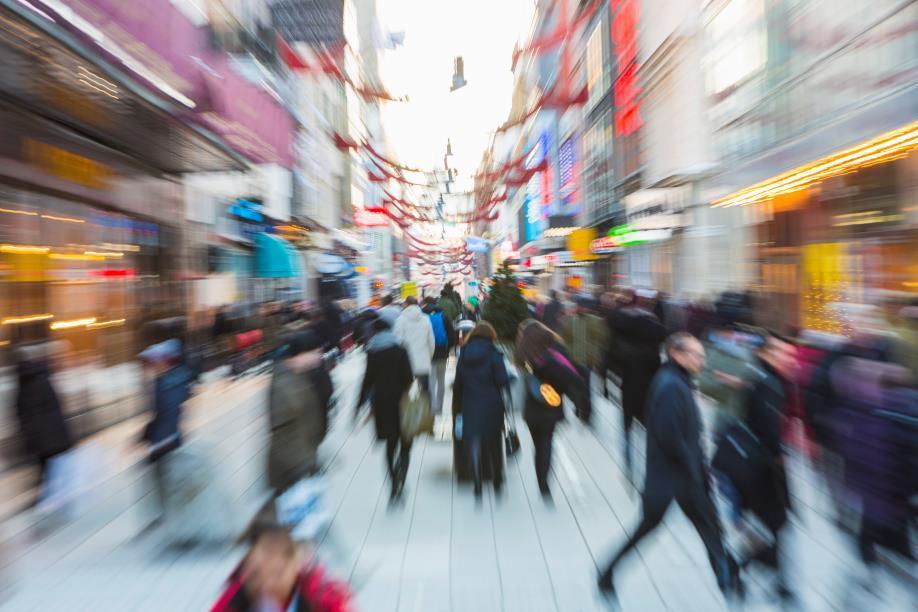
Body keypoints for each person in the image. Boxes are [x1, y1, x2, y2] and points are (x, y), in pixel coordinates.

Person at [597, 333, 739, 602]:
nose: (701, 360)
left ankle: (729, 581)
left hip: (678, 478)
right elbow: (669, 436)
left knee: (709, 527)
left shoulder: (676, 380)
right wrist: (694, 468)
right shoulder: (671, 385)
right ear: (677, 354)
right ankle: (605, 574)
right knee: (659, 528)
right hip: (674, 479)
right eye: (696, 354)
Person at [515, 320, 589, 499]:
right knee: (546, 443)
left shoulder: (522, 355)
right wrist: (580, 404)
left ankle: (541, 480)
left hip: (531, 408)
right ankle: (544, 484)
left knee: (537, 445)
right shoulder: (551, 358)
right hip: (551, 407)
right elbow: (574, 378)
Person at [212, 522, 352, 611]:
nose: (267, 582)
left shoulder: (324, 601)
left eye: (277, 572)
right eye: (258, 572)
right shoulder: (234, 601)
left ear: (297, 562)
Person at [609, 289, 668, 482]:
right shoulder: (652, 328)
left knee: (626, 426)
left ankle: (627, 464)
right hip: (650, 388)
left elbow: (611, 358)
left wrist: (609, 376)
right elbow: (659, 362)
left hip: (629, 386)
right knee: (651, 427)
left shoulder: (620, 330)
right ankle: (656, 466)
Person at [357, 319, 415, 501]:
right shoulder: (401, 349)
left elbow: (367, 381)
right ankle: (401, 477)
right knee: (406, 445)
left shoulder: (372, 352)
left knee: (390, 446)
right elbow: (408, 377)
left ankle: (393, 484)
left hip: (382, 404)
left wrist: (358, 405)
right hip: (402, 402)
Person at [452, 322, 510, 499]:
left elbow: (458, 383)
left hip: (470, 402)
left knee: (474, 441)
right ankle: (497, 479)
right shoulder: (495, 353)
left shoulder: (464, 354)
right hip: (492, 403)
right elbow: (503, 380)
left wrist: (458, 405)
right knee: (493, 441)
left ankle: (477, 481)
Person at [267, 332, 328, 497]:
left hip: (301, 464)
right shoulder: (284, 384)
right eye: (316, 352)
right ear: (302, 354)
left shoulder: (298, 376)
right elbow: (282, 433)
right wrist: (301, 466)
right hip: (292, 472)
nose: (320, 356)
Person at [138, 339, 195, 515]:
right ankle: (169, 514)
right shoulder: (173, 380)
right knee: (168, 482)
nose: (151, 366)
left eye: (154, 362)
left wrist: (157, 445)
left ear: (165, 361)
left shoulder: (165, 384)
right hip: (170, 439)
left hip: (166, 442)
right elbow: (161, 415)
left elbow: (166, 416)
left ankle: (169, 516)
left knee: (167, 482)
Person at [14, 333, 72, 498]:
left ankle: (48, 498)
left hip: (38, 439)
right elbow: (55, 410)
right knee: (54, 471)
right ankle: (51, 498)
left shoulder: (23, 384)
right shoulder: (43, 380)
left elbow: (21, 414)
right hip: (51, 437)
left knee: (46, 470)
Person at [560, 296, 608, 411]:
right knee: (583, 385)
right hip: (580, 359)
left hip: (582, 359)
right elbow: (602, 338)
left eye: (578, 305)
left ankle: (583, 408)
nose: (576, 307)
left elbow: (565, 338)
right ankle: (583, 408)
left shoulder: (574, 320)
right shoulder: (592, 320)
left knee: (581, 385)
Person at [422, 296, 458, 416]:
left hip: (428, 353)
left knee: (431, 380)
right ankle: (440, 407)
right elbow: (451, 334)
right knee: (441, 380)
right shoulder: (443, 316)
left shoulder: (423, 316)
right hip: (442, 352)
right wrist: (449, 349)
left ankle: (433, 407)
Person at [394, 296, 435, 392]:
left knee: (405, 394)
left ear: (405, 304)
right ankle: (427, 407)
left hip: (406, 364)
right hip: (423, 362)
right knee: (425, 392)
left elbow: (398, 342)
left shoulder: (400, 320)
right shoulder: (426, 319)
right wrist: (428, 357)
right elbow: (431, 341)